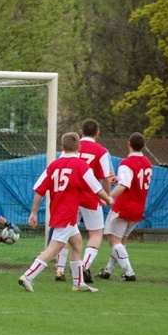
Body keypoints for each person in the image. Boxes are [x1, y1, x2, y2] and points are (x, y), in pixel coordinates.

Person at [18, 132, 113, 293]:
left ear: (62, 148)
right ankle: (28, 276)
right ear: (79, 147)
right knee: (54, 248)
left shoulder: (54, 165)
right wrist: (109, 199)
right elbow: (96, 188)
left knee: (76, 243)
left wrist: (33, 213)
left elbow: (39, 191)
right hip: (67, 213)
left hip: (57, 210)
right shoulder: (81, 166)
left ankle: (78, 283)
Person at [54, 119, 111, 283]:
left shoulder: (70, 147)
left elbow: (61, 166)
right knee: (96, 233)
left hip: (70, 196)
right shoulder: (101, 151)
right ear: (98, 133)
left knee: (65, 232)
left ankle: (59, 270)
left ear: (81, 131)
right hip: (90, 196)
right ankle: (83, 265)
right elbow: (106, 178)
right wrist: (106, 197)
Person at [97, 132, 152, 282]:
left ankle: (129, 273)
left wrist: (109, 197)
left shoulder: (127, 163)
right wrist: (120, 178)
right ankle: (107, 270)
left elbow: (124, 185)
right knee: (121, 242)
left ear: (128, 143)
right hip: (139, 207)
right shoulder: (147, 162)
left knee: (113, 241)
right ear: (144, 146)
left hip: (124, 207)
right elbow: (132, 181)